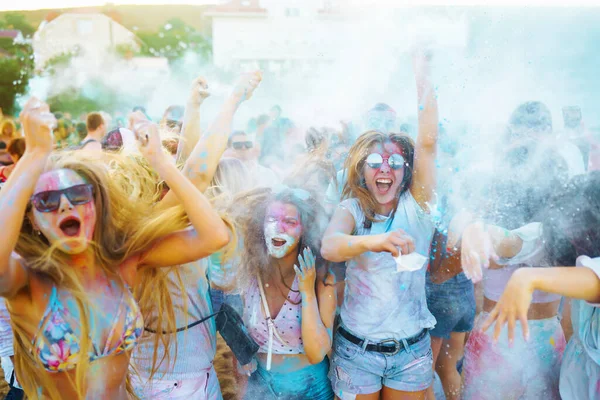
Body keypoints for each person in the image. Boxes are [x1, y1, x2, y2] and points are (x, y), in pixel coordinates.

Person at [0, 97, 230, 399]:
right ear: (32, 218)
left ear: (97, 204)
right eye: (48, 200)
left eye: (78, 194)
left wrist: (162, 162)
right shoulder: (28, 282)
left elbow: (214, 237)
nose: (65, 204)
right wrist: (34, 155)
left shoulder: (122, 261)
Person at [321, 48, 439, 400]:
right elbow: (331, 244)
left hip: (410, 351)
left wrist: (422, 72)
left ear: (406, 171)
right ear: (361, 170)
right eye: (374, 161)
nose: (384, 167)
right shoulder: (352, 208)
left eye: (394, 162)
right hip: (357, 353)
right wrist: (374, 241)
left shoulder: (417, 206)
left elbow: (429, 144)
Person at [463, 171, 600, 400]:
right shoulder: (547, 237)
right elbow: (510, 240)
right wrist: (475, 229)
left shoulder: (557, 246)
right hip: (542, 355)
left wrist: (528, 277)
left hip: (525, 350)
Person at [233, 186, 336, 400]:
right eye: (271, 220)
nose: (279, 228)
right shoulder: (251, 272)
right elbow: (240, 340)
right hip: (261, 388)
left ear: (305, 230)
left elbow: (316, 353)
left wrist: (306, 291)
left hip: (310, 389)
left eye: (290, 222)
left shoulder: (322, 279)